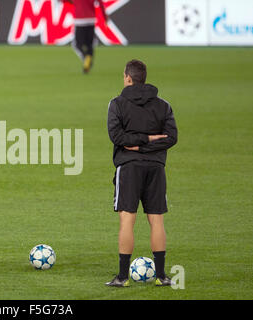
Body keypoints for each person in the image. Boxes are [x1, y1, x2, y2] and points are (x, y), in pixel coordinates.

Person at [105, 59, 178, 287]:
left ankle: (123, 278)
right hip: (156, 167)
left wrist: (137, 145)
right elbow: (171, 138)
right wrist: (149, 140)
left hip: (128, 167)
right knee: (156, 220)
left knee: (127, 220)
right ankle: (162, 276)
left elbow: (117, 138)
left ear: (128, 77)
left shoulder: (117, 104)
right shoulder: (163, 105)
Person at [63, 0, 107, 73]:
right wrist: (105, 18)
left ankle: (86, 57)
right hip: (91, 20)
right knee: (89, 44)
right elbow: (100, 3)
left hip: (80, 20)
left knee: (77, 45)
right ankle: (88, 59)